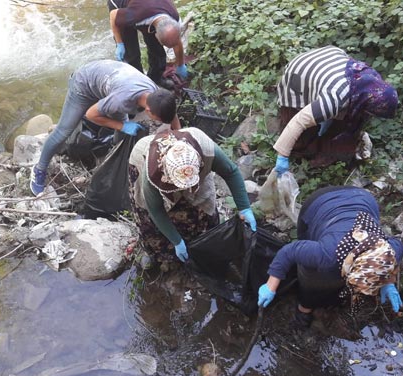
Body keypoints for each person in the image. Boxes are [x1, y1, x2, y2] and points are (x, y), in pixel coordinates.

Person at [256, 186, 403, 328]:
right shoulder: (327, 254)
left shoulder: (391, 250)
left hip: (363, 200)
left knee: (327, 269)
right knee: (312, 274)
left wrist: (387, 281)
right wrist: (271, 286)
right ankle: (304, 308)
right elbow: (289, 251)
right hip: (319, 203)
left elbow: (395, 251)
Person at [30, 59, 180, 195]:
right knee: (63, 131)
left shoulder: (157, 95)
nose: (158, 122)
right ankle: (39, 170)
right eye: (157, 119)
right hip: (83, 84)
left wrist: (179, 136)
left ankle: (114, 158)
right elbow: (91, 115)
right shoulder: (121, 100)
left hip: (110, 80)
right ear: (148, 111)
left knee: (122, 127)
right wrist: (122, 125)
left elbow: (171, 112)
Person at [128, 127, 256, 264]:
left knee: (201, 210)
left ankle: (198, 248)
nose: (186, 189)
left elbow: (231, 172)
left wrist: (244, 208)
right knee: (149, 220)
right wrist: (176, 241)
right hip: (143, 160)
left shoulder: (206, 150)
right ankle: (161, 256)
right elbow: (156, 210)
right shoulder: (152, 174)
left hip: (189, 165)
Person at [273, 46, 398, 172]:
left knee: (345, 121)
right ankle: (303, 150)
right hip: (300, 72)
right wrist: (282, 156)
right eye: (371, 112)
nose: (370, 116)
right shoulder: (335, 99)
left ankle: (326, 148)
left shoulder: (371, 82)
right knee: (302, 138)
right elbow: (298, 121)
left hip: (332, 58)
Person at [108, 0, 188, 84]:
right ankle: (138, 82)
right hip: (121, 5)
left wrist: (180, 64)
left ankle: (156, 79)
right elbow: (113, 16)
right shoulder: (136, 16)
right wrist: (119, 43)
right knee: (131, 53)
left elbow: (176, 41)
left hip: (145, 8)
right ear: (156, 34)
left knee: (157, 49)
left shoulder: (174, 18)